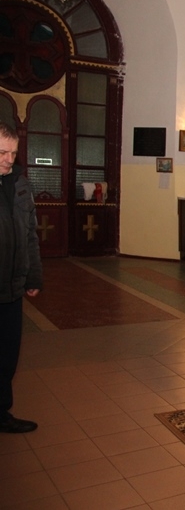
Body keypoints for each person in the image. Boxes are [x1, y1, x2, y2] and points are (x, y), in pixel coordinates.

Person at [0, 121, 42, 433]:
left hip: (12, 289)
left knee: (7, 357)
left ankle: (2, 414)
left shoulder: (20, 184)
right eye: (2, 152)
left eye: (13, 153)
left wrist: (33, 277)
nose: (9, 159)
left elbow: (30, 236)